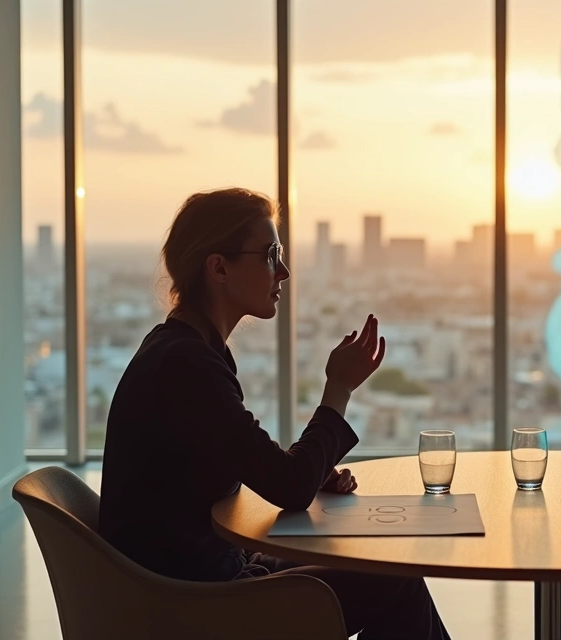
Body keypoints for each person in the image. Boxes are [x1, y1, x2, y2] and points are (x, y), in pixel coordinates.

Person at [98, 187, 451, 640]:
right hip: (196, 604)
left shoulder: (179, 349)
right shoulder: (187, 364)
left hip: (191, 582)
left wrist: (308, 467)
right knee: (394, 580)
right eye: (270, 255)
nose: (283, 271)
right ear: (219, 268)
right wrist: (338, 388)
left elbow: (255, 468)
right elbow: (290, 487)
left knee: (382, 564)